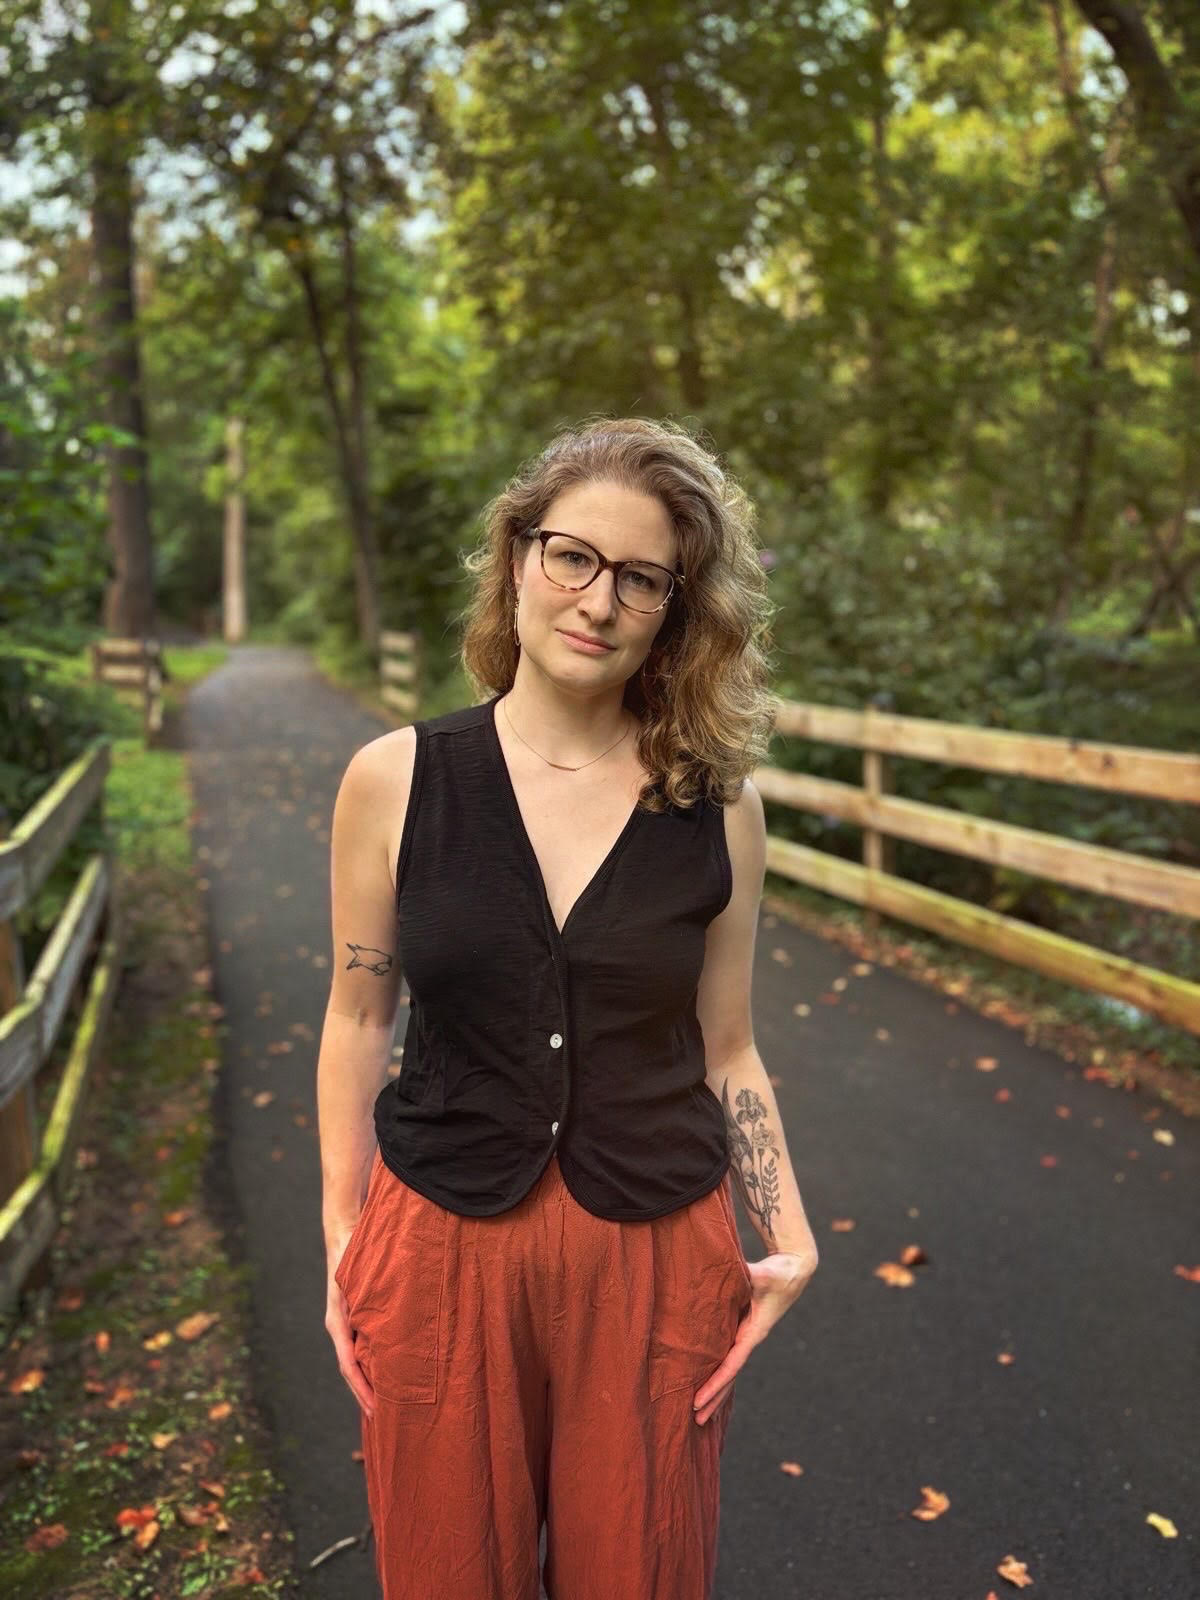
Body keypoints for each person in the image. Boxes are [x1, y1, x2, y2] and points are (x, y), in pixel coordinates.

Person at [317, 417, 819, 1600]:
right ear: (518, 557)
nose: (598, 599)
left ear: (674, 611)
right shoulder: (395, 781)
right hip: (439, 1252)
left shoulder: (719, 809)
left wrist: (790, 1235)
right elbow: (353, 1020)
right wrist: (342, 1242)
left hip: (653, 1257)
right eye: (573, 556)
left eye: (641, 577)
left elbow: (730, 1046)